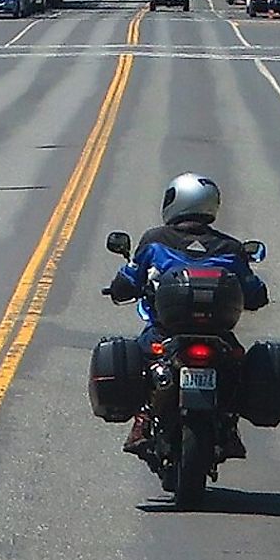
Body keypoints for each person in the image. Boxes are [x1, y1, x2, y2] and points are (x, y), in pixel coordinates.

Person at [112, 173, 267, 458]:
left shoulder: (155, 241)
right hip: (218, 335)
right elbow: (255, 292)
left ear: (175, 200)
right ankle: (230, 427)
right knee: (237, 365)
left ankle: (142, 420)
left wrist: (118, 289)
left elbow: (127, 281)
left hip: (165, 332)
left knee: (138, 359)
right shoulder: (230, 248)